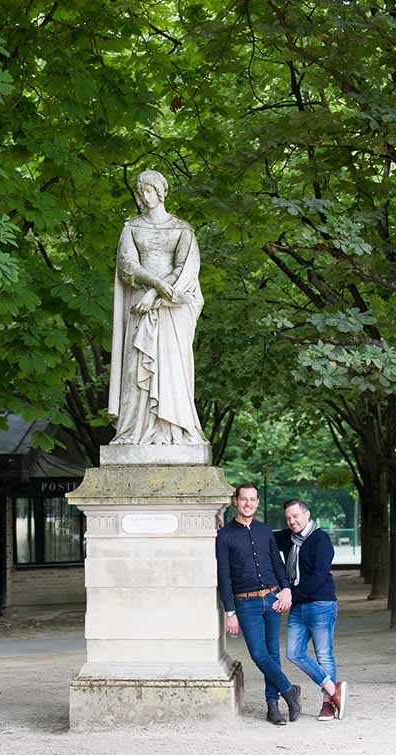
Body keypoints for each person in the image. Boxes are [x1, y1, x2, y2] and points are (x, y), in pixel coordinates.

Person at [108, 170, 207, 446]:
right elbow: (127, 265)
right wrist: (151, 287)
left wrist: (156, 293)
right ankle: (134, 431)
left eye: (149, 190)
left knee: (172, 367)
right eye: (141, 192)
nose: (144, 196)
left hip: (172, 308)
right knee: (137, 368)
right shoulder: (132, 227)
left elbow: (186, 269)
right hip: (140, 305)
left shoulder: (182, 229)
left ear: (161, 191)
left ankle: (174, 428)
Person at [216, 483, 301, 725]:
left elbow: (277, 563)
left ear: (257, 501)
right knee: (259, 654)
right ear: (236, 501)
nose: (248, 503)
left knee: (272, 654)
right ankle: (289, 690)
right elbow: (224, 575)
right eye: (244, 499)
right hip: (246, 604)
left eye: (252, 499)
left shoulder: (265, 532)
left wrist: (285, 589)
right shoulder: (224, 536)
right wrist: (229, 611)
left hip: (273, 598)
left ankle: (272, 706)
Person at [277, 499, 348, 722]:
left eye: (296, 516)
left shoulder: (321, 540)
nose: (292, 521)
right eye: (288, 518)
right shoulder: (288, 537)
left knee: (323, 655)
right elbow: (259, 536)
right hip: (298, 606)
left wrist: (290, 595)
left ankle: (328, 705)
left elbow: (319, 577)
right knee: (293, 652)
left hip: (321, 604)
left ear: (307, 515)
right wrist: (224, 527)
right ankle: (332, 688)